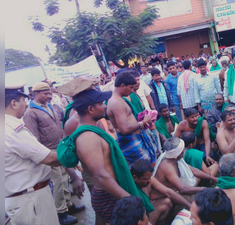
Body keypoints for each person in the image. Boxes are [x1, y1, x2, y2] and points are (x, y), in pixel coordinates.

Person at [57, 87, 155, 224]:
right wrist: (128, 199)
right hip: (107, 194)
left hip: (109, 192)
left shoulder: (94, 129)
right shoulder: (87, 137)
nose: (104, 106)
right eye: (101, 103)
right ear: (90, 109)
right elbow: (100, 175)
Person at [23, 82, 84, 225]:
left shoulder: (50, 106)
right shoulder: (31, 113)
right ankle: (61, 212)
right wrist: (43, 155)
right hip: (48, 151)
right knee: (57, 183)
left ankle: (68, 205)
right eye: (46, 93)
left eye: (50, 93)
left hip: (58, 147)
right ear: (36, 94)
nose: (50, 96)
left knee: (64, 179)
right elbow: (34, 137)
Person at [5, 82, 63, 225]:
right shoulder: (12, 129)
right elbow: (48, 158)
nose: (26, 104)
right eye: (23, 100)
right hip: (30, 198)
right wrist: (77, 154)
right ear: (13, 103)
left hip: (20, 197)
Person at [106, 70, 156, 166]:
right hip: (130, 141)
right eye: (131, 88)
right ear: (123, 85)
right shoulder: (116, 102)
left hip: (136, 138)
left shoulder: (120, 99)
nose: (132, 91)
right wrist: (143, 122)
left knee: (149, 167)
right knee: (144, 171)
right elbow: (124, 129)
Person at [153, 138, 217, 202]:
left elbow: (194, 170)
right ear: (177, 153)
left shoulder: (175, 158)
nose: (184, 151)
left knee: (200, 177)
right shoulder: (168, 167)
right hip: (168, 195)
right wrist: (204, 189)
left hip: (177, 189)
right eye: (182, 150)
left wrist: (214, 178)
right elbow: (182, 189)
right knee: (203, 199)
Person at [131, 159, 191, 224]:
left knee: (167, 202)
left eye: (150, 177)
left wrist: (190, 206)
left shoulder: (149, 180)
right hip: (140, 219)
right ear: (135, 178)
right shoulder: (130, 189)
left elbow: (169, 192)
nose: (149, 180)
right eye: (146, 179)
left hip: (148, 212)